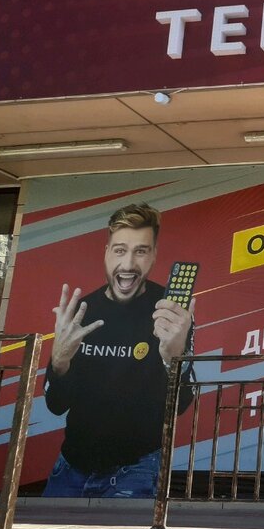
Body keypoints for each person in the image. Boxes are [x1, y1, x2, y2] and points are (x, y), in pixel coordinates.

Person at [42, 203, 196, 498]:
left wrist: (173, 358)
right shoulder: (81, 312)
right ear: (106, 252)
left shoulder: (171, 315)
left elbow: (181, 405)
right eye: (120, 250)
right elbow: (56, 405)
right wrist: (59, 361)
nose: (127, 264)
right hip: (71, 468)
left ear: (154, 255)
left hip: (136, 470)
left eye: (141, 251)